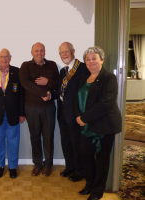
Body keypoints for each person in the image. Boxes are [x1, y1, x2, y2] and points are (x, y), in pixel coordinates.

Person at [74, 46, 122, 200]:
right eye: (87, 59)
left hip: (104, 126)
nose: (90, 61)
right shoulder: (84, 78)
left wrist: (84, 118)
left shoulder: (109, 78)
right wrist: (78, 117)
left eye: (94, 58)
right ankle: (89, 184)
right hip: (86, 126)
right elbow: (78, 100)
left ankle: (97, 192)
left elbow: (105, 103)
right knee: (86, 156)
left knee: (101, 160)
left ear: (101, 60)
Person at [19, 42, 59, 177]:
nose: (39, 53)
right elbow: (25, 83)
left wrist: (47, 82)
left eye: (41, 51)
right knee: (35, 137)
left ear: (45, 52)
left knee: (48, 137)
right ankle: (37, 164)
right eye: (36, 51)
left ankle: (48, 165)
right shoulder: (25, 66)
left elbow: (58, 85)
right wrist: (42, 93)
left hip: (48, 108)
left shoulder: (52, 65)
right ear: (32, 53)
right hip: (31, 108)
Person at [0, 48, 25, 179]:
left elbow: (21, 95)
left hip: (13, 114)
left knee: (14, 141)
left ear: (10, 58)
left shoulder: (18, 72)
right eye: (1, 57)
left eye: (6, 56)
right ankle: (0, 166)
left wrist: (22, 113)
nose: (4, 59)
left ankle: (13, 167)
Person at [55, 42, 89, 182]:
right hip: (62, 114)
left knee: (76, 145)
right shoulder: (63, 71)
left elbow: (85, 94)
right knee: (66, 143)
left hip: (76, 115)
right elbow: (61, 91)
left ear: (73, 51)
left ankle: (80, 171)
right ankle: (70, 167)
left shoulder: (82, 68)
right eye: (62, 52)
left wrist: (81, 114)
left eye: (67, 51)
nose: (64, 54)